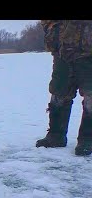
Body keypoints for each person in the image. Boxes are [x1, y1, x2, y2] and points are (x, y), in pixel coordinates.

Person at [36, 20, 92, 156]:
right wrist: (50, 29)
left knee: (90, 96)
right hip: (62, 51)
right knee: (59, 92)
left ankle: (87, 139)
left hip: (88, 54)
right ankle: (56, 135)